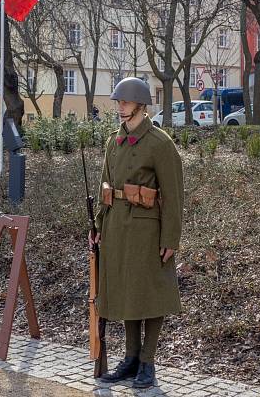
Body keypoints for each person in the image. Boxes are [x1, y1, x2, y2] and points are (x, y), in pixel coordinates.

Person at [90, 77, 184, 388]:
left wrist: (171, 238)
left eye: (126, 103)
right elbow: (105, 187)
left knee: (151, 294)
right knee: (128, 292)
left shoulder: (160, 143)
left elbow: (173, 194)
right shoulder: (112, 142)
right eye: (118, 102)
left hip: (147, 230)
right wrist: (99, 227)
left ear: (141, 106)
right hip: (117, 227)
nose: (120, 107)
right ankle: (130, 359)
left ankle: (147, 361)